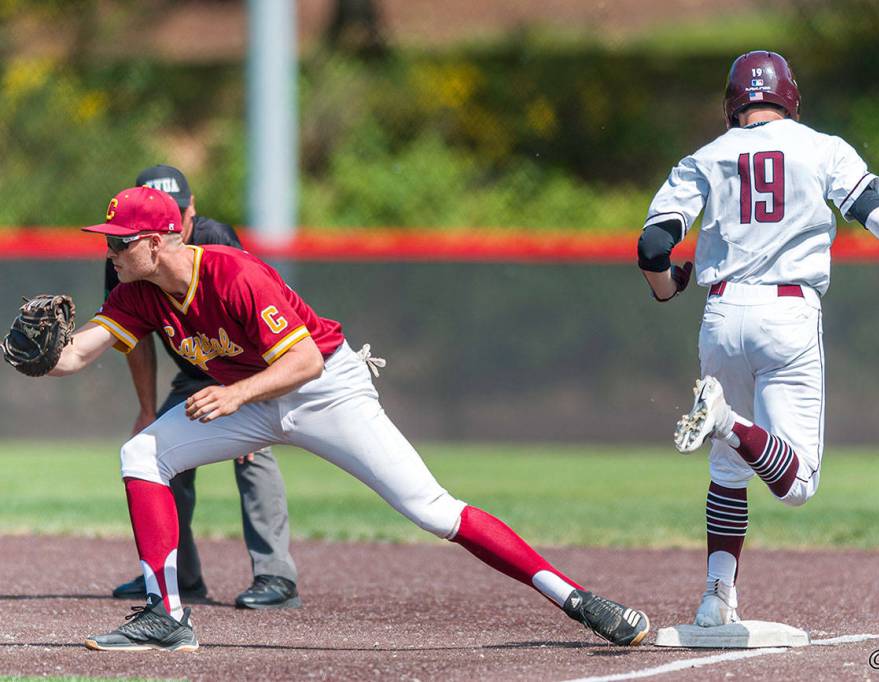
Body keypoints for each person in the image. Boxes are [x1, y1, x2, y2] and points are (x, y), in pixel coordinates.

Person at [46, 185, 650, 651]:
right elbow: (74, 355)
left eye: (120, 241)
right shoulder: (137, 292)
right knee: (143, 455)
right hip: (255, 399)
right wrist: (32, 356)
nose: (110, 250)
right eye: (108, 240)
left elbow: (305, 359)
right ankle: (167, 616)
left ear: (158, 241)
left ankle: (577, 599)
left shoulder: (233, 272)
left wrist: (234, 396)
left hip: (325, 389)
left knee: (432, 511)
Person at [637, 50, 879, 628]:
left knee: (728, 472)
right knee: (797, 484)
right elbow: (876, 214)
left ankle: (715, 597)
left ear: (733, 103)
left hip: (721, 315)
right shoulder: (822, 148)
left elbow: (653, 247)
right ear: (789, 97)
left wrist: (667, 285)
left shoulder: (704, 158)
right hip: (788, 313)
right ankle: (725, 421)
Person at [106, 165, 300, 609]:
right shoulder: (124, 248)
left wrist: (247, 397)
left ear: (191, 209)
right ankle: (177, 575)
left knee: (254, 456)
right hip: (193, 368)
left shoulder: (216, 239)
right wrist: (146, 407)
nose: (167, 221)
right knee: (156, 451)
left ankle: (276, 575)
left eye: (175, 210)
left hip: (246, 367)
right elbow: (132, 336)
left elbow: (251, 320)